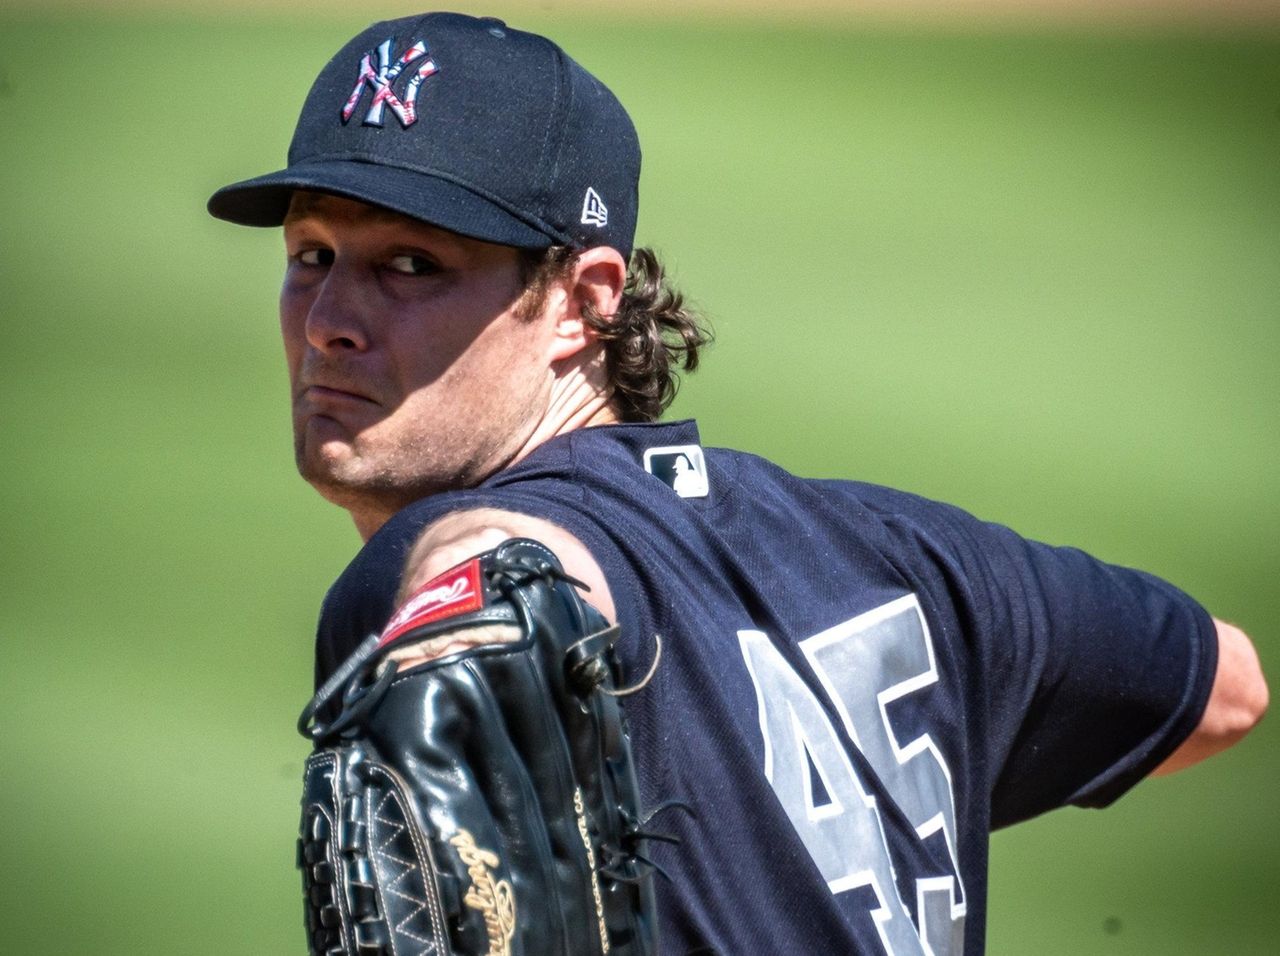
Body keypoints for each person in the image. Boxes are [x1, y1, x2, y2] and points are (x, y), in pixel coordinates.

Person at [208, 11, 1267, 954]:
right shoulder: (903, 560)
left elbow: (521, 564)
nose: (329, 318)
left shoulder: (430, 577)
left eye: (410, 264)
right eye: (310, 252)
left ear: (584, 300)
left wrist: (453, 586)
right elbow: (1224, 685)